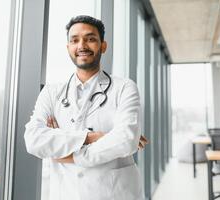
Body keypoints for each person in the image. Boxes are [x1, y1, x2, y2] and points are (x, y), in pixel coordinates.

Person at [24, 15, 148, 200]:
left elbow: (126, 140)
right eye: (74, 40)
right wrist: (93, 138)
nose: (82, 45)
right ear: (68, 48)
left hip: (115, 193)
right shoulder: (52, 92)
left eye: (90, 39)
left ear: (103, 46)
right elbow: (33, 140)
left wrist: (71, 156)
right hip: (66, 193)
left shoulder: (124, 87)